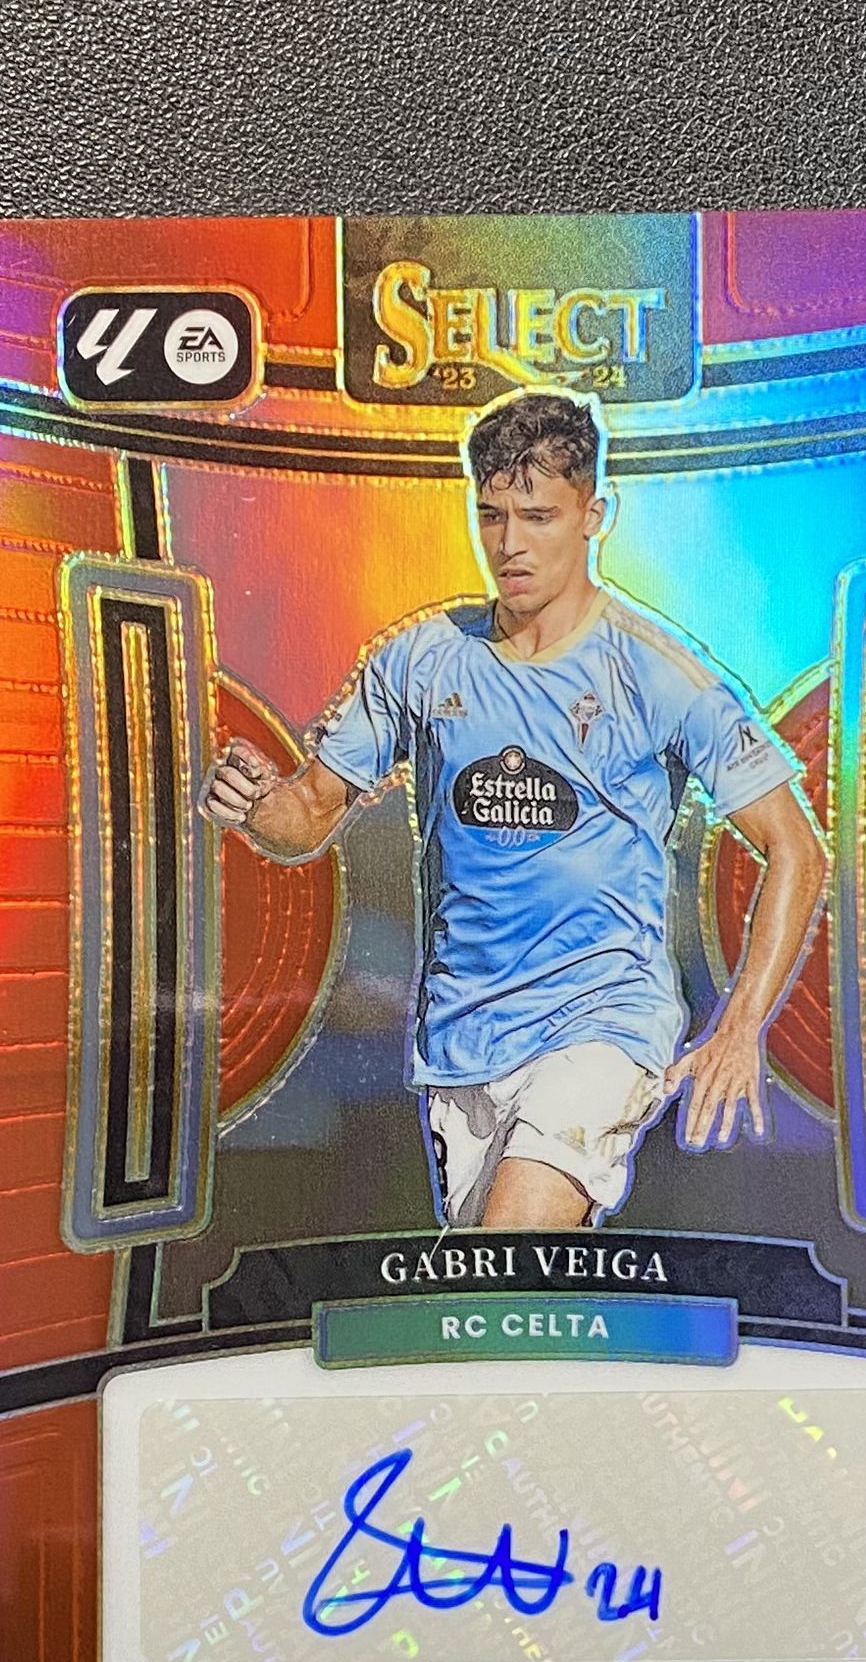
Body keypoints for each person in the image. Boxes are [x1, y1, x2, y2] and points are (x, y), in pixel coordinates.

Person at [201, 387, 827, 1230]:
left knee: (507, 1250)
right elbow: (307, 817)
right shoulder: (421, 659)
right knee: (492, 1295)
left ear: (594, 515)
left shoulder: (657, 671)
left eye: (537, 517)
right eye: (492, 516)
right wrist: (256, 806)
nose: (510, 544)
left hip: (602, 1027)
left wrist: (739, 1026)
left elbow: (797, 849)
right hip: (461, 1046)